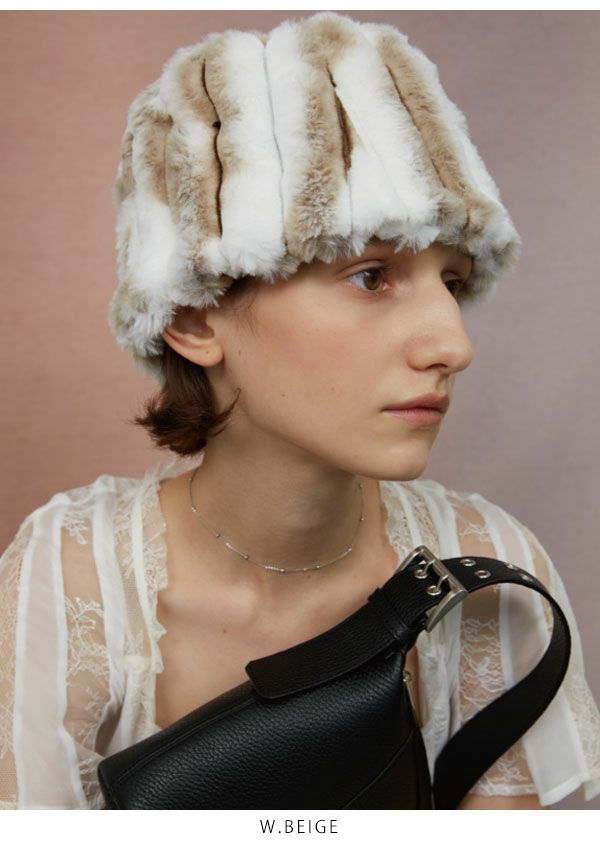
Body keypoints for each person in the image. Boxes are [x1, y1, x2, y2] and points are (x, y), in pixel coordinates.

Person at [1, 11, 599, 811]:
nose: (454, 345)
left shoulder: (487, 567)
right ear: (196, 317)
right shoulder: (76, 579)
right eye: (371, 276)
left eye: (454, 282)